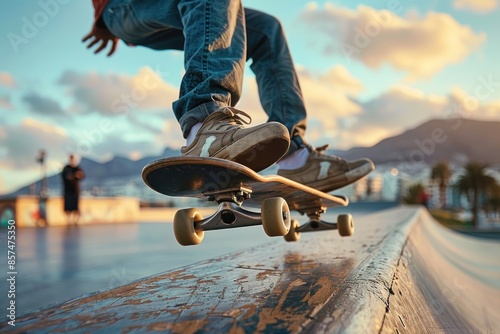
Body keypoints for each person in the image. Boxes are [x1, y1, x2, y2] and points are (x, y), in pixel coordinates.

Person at [83, 0, 374, 192]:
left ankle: (296, 158)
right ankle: (204, 124)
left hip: (149, 13)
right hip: (125, 7)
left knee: (267, 31)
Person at [62, 154, 85, 225]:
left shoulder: (77, 168)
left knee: (75, 207)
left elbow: (82, 175)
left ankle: (75, 221)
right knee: (68, 207)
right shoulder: (66, 168)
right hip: (68, 190)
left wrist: (75, 176)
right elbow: (66, 177)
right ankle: (69, 221)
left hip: (75, 190)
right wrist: (75, 175)